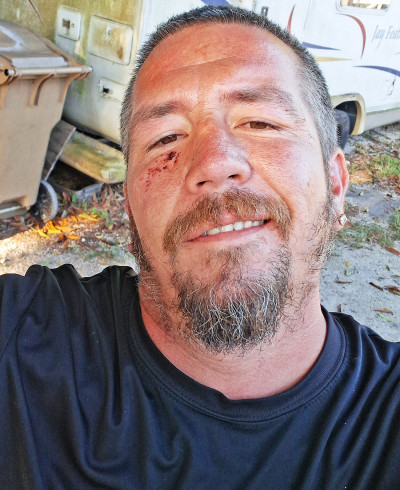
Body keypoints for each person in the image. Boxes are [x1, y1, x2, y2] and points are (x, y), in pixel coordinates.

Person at [1, 5, 399, 489]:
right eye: (166, 138)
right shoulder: (22, 342)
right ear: (130, 206)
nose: (214, 163)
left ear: (335, 182)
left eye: (261, 123)